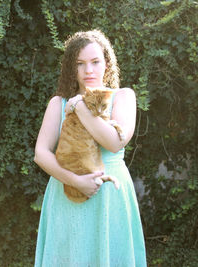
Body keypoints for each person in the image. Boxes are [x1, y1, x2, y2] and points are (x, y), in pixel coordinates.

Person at [33, 29, 147, 266]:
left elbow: (114, 143)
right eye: (80, 64)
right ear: (71, 69)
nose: (89, 71)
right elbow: (41, 154)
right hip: (67, 196)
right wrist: (76, 181)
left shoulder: (123, 97)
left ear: (107, 63)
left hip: (110, 199)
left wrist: (82, 108)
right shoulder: (58, 103)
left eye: (95, 62)